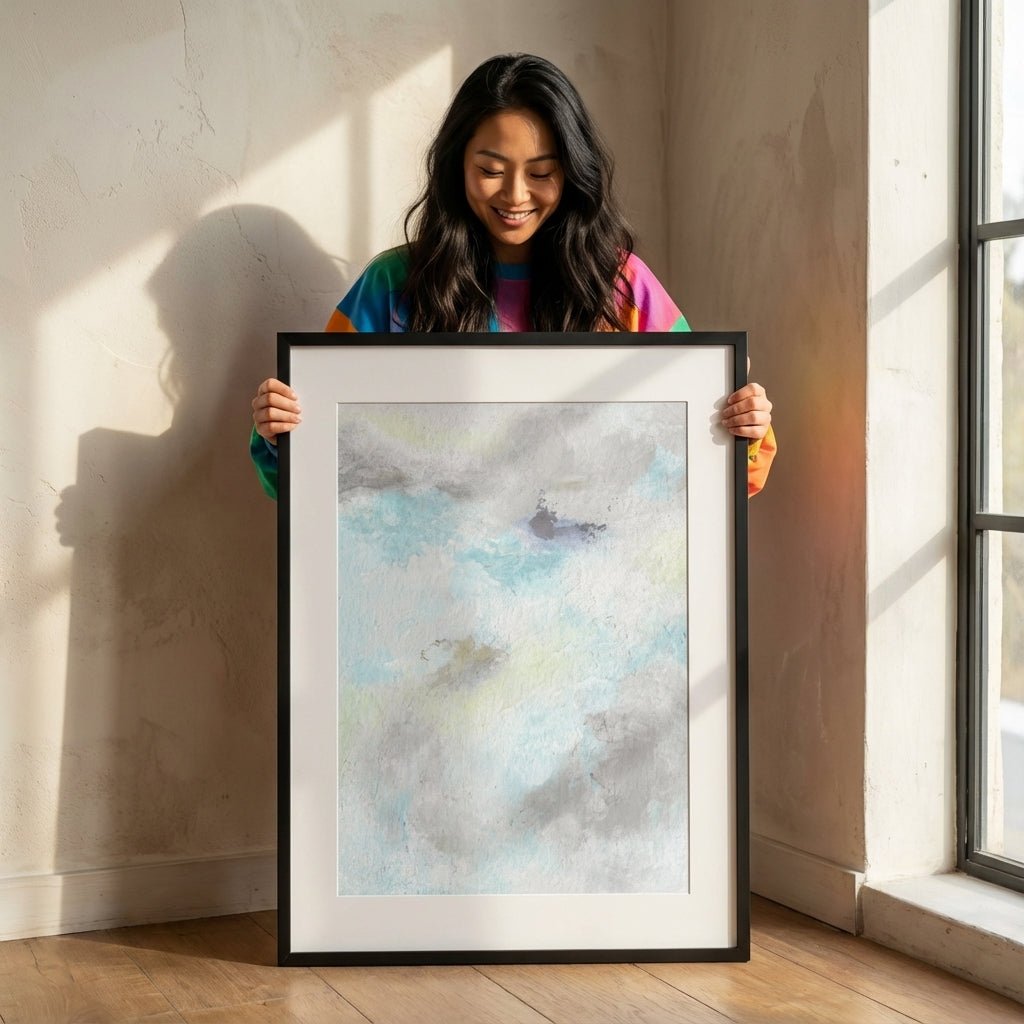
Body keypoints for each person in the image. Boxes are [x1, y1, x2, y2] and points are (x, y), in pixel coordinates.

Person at [250, 53, 775, 499]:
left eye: (541, 172)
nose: (516, 195)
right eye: (491, 170)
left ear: (572, 172)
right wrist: (281, 431)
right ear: (457, 165)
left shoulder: (622, 285)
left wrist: (741, 425)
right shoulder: (391, 285)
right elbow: (312, 470)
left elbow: (710, 459)